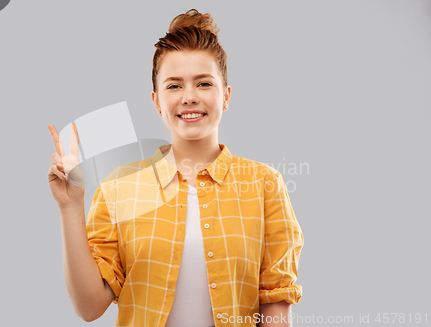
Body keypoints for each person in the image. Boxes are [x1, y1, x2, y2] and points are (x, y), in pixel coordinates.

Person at [47, 8, 304, 327]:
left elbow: (275, 312)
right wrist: (70, 206)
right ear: (156, 101)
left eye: (204, 84)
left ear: (225, 96)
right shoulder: (119, 188)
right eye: (174, 86)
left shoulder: (265, 185)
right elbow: (89, 308)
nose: (189, 97)